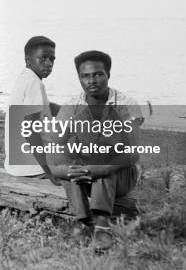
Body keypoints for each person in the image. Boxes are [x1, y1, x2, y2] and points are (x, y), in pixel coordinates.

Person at [44, 50, 143, 251]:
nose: (92, 80)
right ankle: (83, 223)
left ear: (108, 75)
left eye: (98, 74)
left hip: (120, 175)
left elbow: (132, 153)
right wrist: (69, 171)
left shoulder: (126, 105)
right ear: (79, 77)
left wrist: (99, 169)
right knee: (71, 158)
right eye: (85, 76)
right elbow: (53, 153)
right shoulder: (71, 107)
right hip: (83, 176)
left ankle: (102, 226)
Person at [5, 36, 59, 177]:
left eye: (52, 59)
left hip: (16, 162)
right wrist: (49, 171)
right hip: (32, 166)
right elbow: (30, 130)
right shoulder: (34, 83)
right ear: (28, 61)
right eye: (43, 58)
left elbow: (44, 106)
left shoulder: (25, 78)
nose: (48, 63)